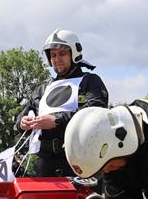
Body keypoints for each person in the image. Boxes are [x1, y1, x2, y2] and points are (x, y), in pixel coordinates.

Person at [18, 29, 109, 177]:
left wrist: (57, 120)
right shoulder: (42, 89)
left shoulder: (90, 81)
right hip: (44, 161)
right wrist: (23, 122)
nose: (57, 59)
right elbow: (20, 119)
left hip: (80, 156)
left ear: (74, 53)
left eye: (62, 54)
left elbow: (95, 112)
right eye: (53, 55)